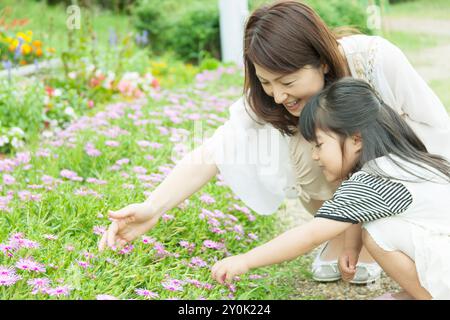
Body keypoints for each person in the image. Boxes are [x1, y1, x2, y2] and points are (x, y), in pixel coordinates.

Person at [98, 1, 450, 284]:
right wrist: (152, 208)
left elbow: (435, 125)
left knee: (383, 223)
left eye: (288, 81)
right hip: (359, 183)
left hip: (401, 178)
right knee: (310, 141)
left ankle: (370, 234)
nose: (279, 96)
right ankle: (344, 230)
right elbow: (215, 149)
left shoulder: (375, 58)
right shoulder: (271, 99)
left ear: (323, 62)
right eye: (266, 82)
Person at [211, 78, 450, 300]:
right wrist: (351, 246)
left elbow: (311, 235)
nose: (314, 155)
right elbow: (361, 210)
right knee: (380, 227)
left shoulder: (375, 179)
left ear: (356, 140)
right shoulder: (402, 164)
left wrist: (245, 261)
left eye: (319, 144)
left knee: (378, 232)